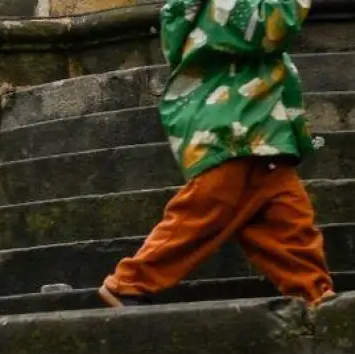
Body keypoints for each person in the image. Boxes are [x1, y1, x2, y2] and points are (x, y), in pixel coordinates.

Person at [97, 0, 337, 309]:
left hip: (257, 127)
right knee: (207, 207)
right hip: (232, 127)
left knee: (287, 215)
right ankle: (131, 282)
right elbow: (273, 26)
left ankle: (313, 292)